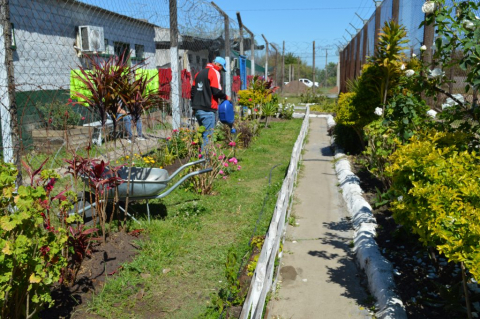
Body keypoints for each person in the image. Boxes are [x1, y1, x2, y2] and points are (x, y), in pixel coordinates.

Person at [191, 56, 231, 148]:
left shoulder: (198, 74)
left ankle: (202, 158)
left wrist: (194, 108)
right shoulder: (214, 72)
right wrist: (226, 97)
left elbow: (193, 92)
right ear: (218, 65)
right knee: (208, 137)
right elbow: (216, 91)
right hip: (208, 110)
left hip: (198, 110)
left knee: (202, 136)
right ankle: (206, 161)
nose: (221, 70)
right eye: (221, 68)